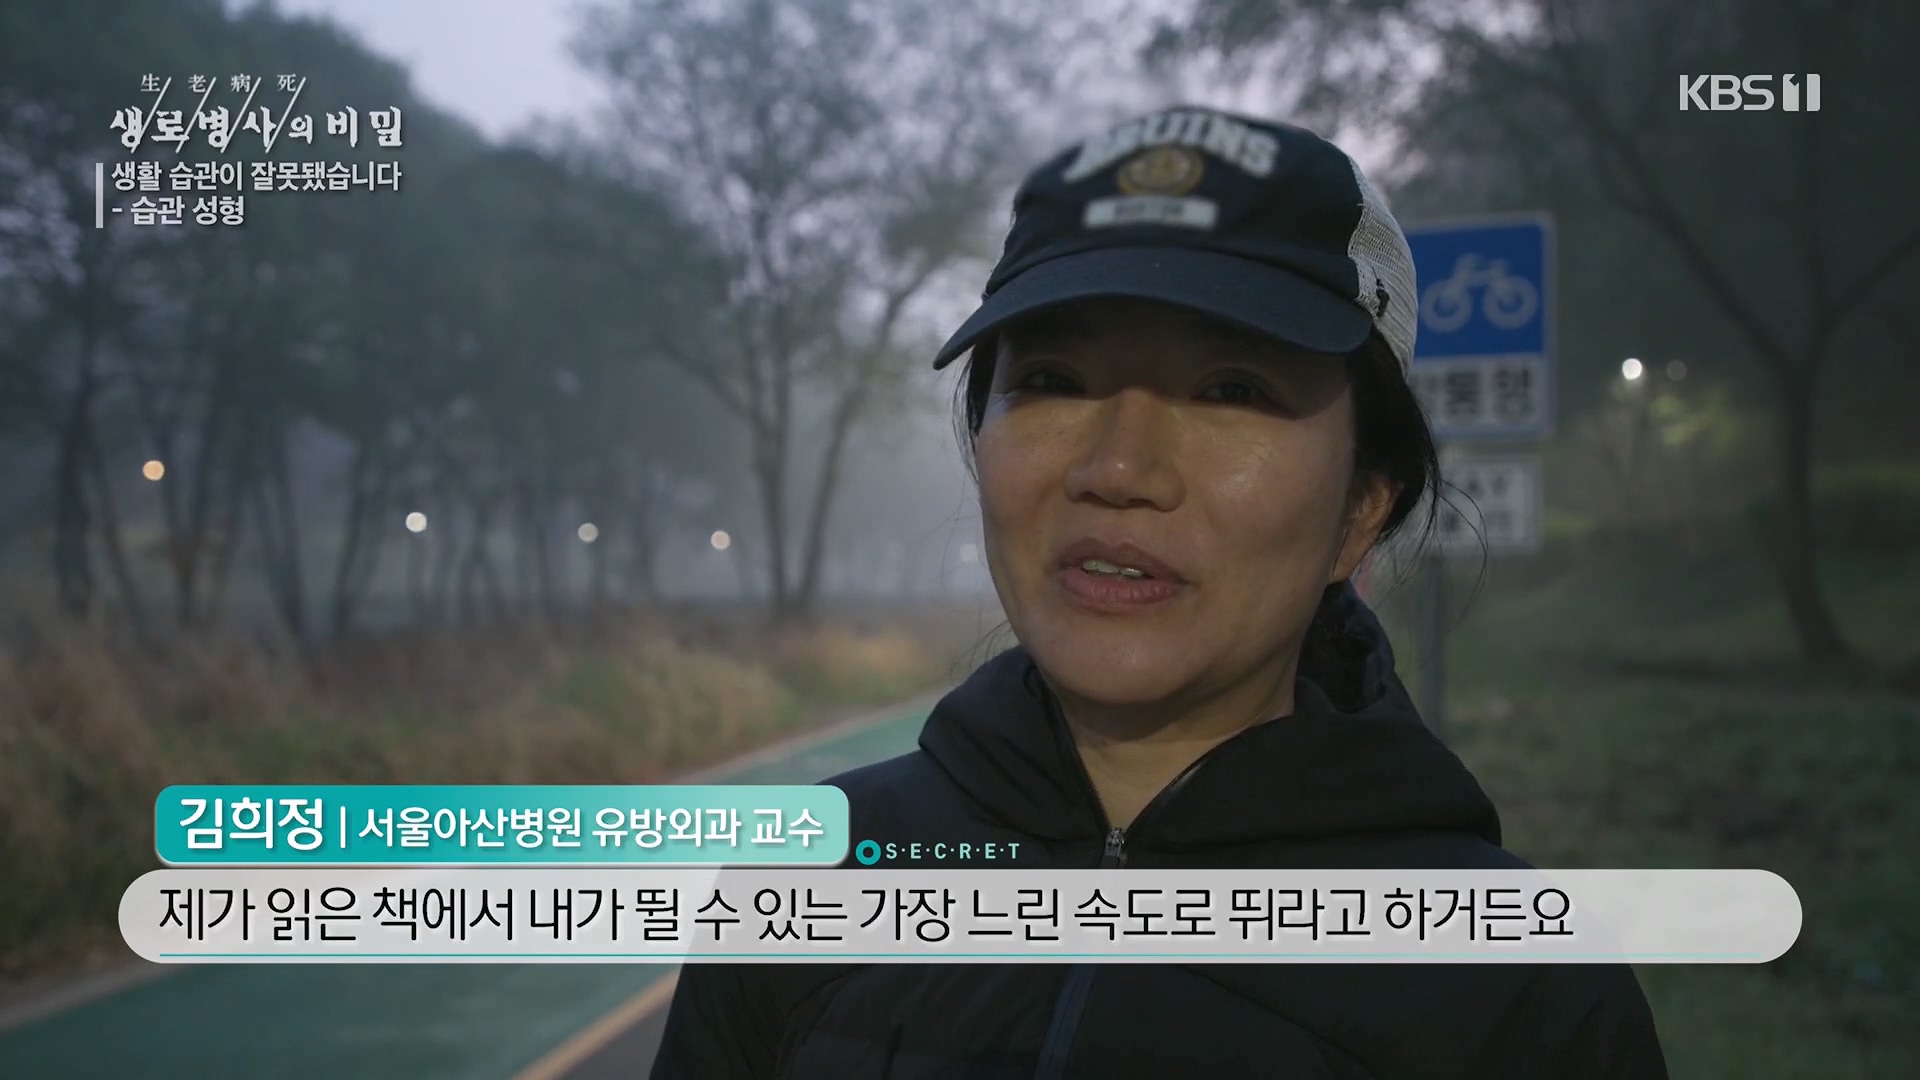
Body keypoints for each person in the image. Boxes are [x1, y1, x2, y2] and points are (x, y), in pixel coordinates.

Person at [650, 104, 1669, 1079]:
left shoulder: (1517, 991)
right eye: (1053, 378)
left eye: (1233, 390)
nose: (1119, 468)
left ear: (1362, 508)